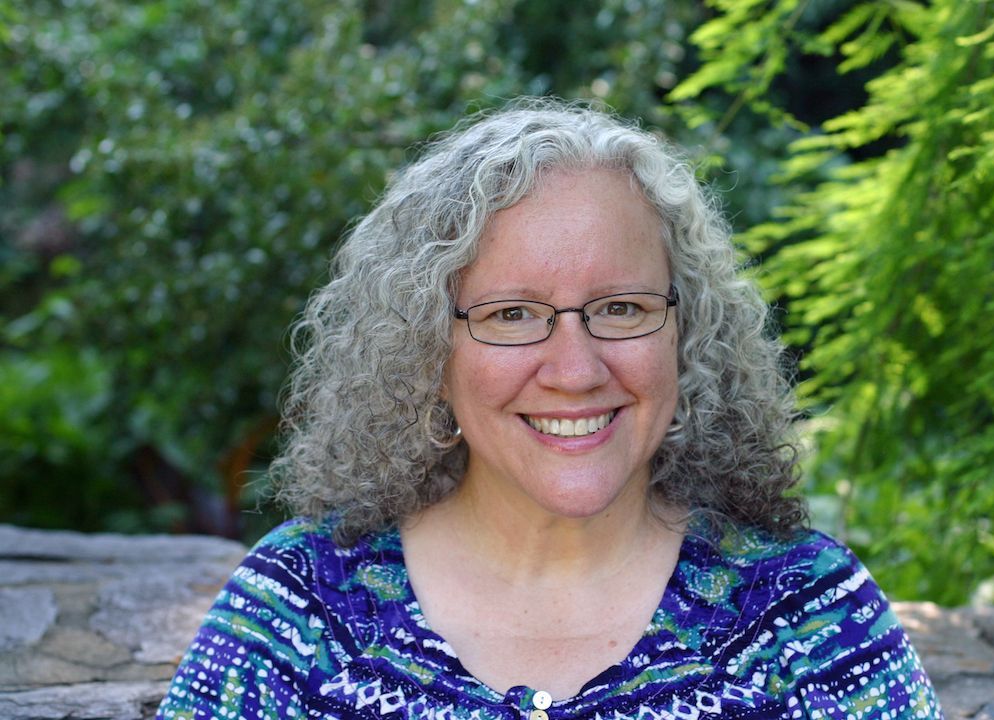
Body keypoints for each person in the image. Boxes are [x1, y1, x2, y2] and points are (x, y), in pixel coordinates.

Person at [157, 98, 942, 719]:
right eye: (511, 315)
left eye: (623, 308)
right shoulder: (298, 614)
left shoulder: (809, 620)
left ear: (686, 331)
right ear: (430, 349)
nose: (575, 369)